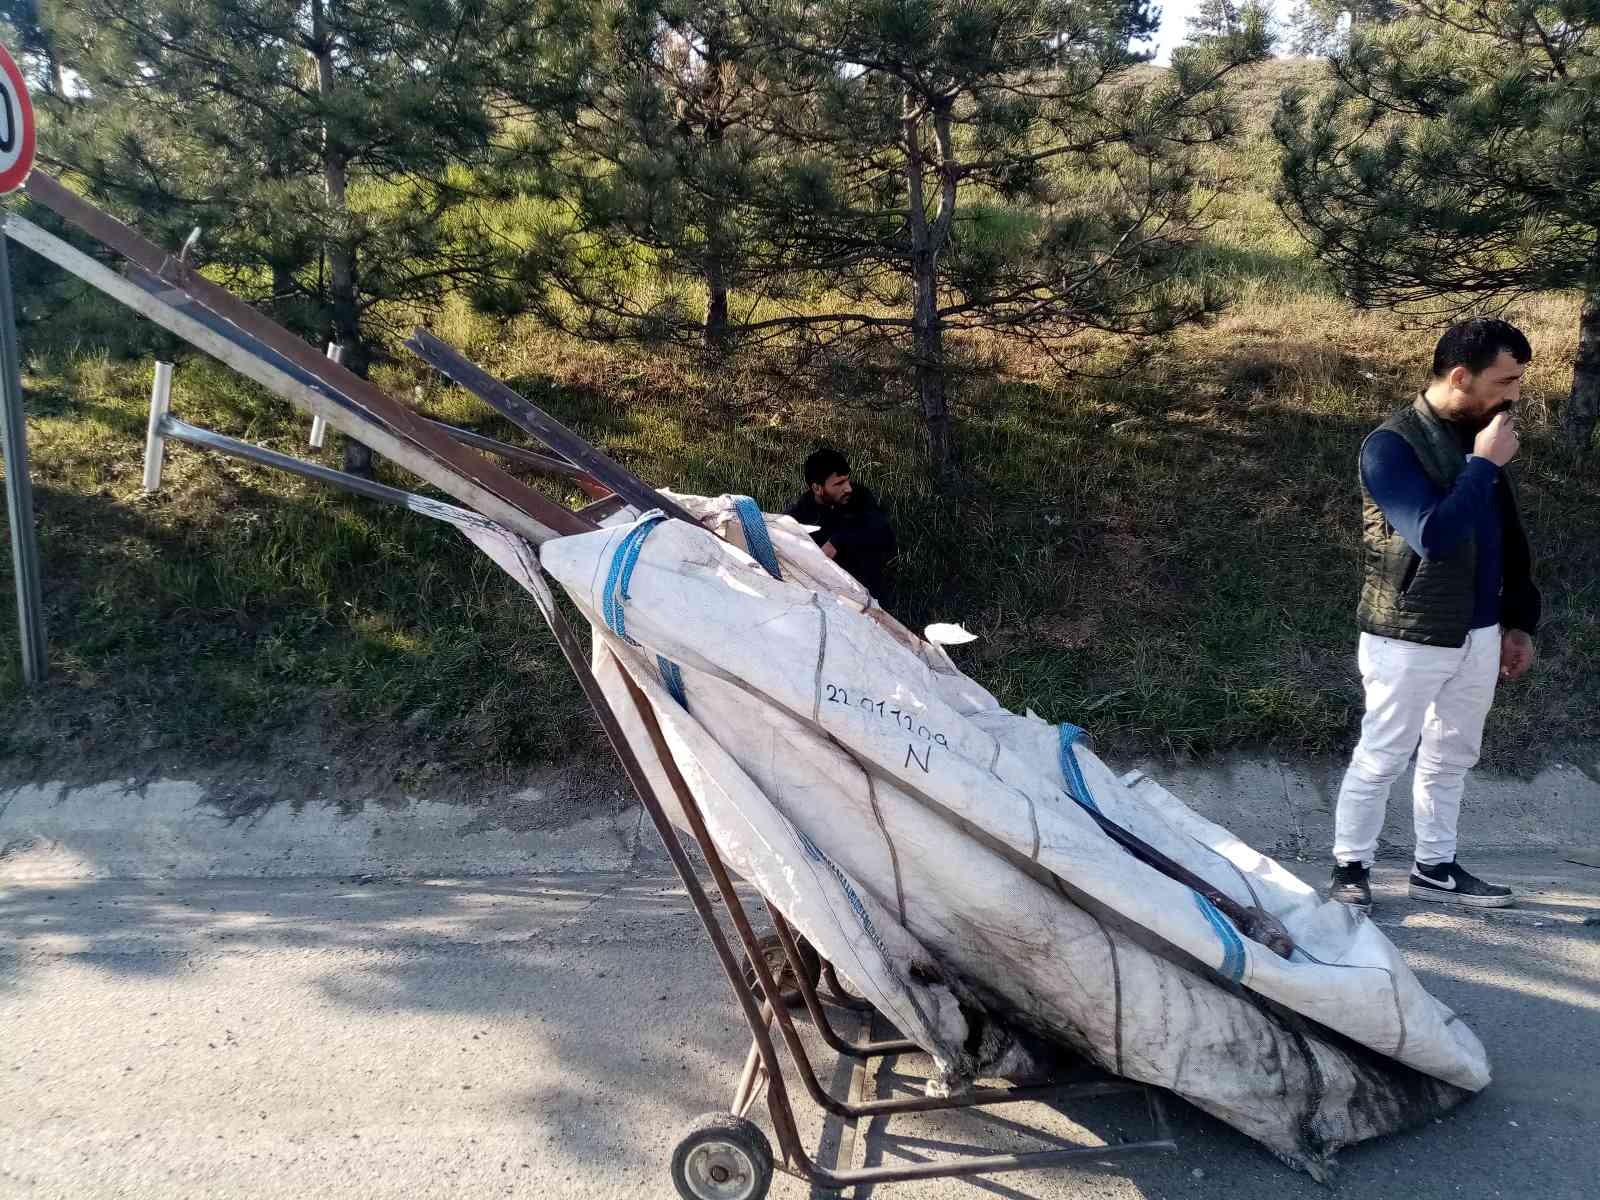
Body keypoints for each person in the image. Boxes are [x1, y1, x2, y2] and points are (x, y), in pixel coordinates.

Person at [1328, 318, 1541, 913]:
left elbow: (1507, 539)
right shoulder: (1389, 446)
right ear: (1459, 376)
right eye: (1506, 381)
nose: (1515, 394)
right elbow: (1434, 536)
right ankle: (1351, 867)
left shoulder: (1480, 438)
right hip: (1407, 635)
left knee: (1452, 756)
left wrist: (1517, 622)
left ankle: (1436, 866)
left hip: (1479, 633)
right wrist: (1483, 466)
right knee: (1383, 754)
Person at [785, 448, 897, 598]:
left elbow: (882, 530)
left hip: (866, 583)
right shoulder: (802, 511)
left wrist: (837, 541)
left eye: (847, 480)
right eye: (839, 484)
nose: (848, 488)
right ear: (817, 488)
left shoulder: (859, 496)